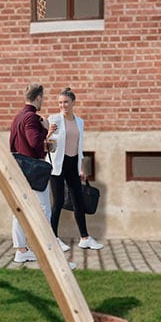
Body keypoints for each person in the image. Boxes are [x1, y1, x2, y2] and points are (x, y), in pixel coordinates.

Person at [9, 82, 62, 265]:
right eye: (43, 98)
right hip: (33, 170)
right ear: (38, 97)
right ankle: (48, 249)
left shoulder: (18, 117)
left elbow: (18, 144)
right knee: (44, 208)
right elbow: (34, 143)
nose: (43, 101)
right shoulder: (32, 117)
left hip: (19, 167)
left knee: (20, 210)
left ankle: (21, 250)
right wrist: (45, 128)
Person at [46, 87, 101, 251]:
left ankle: (85, 238)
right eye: (60, 102)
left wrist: (81, 168)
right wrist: (48, 133)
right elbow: (45, 145)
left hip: (73, 164)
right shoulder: (54, 119)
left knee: (78, 200)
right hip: (57, 165)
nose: (63, 105)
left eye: (66, 102)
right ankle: (53, 238)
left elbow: (79, 147)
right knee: (58, 202)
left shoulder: (79, 122)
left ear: (73, 103)